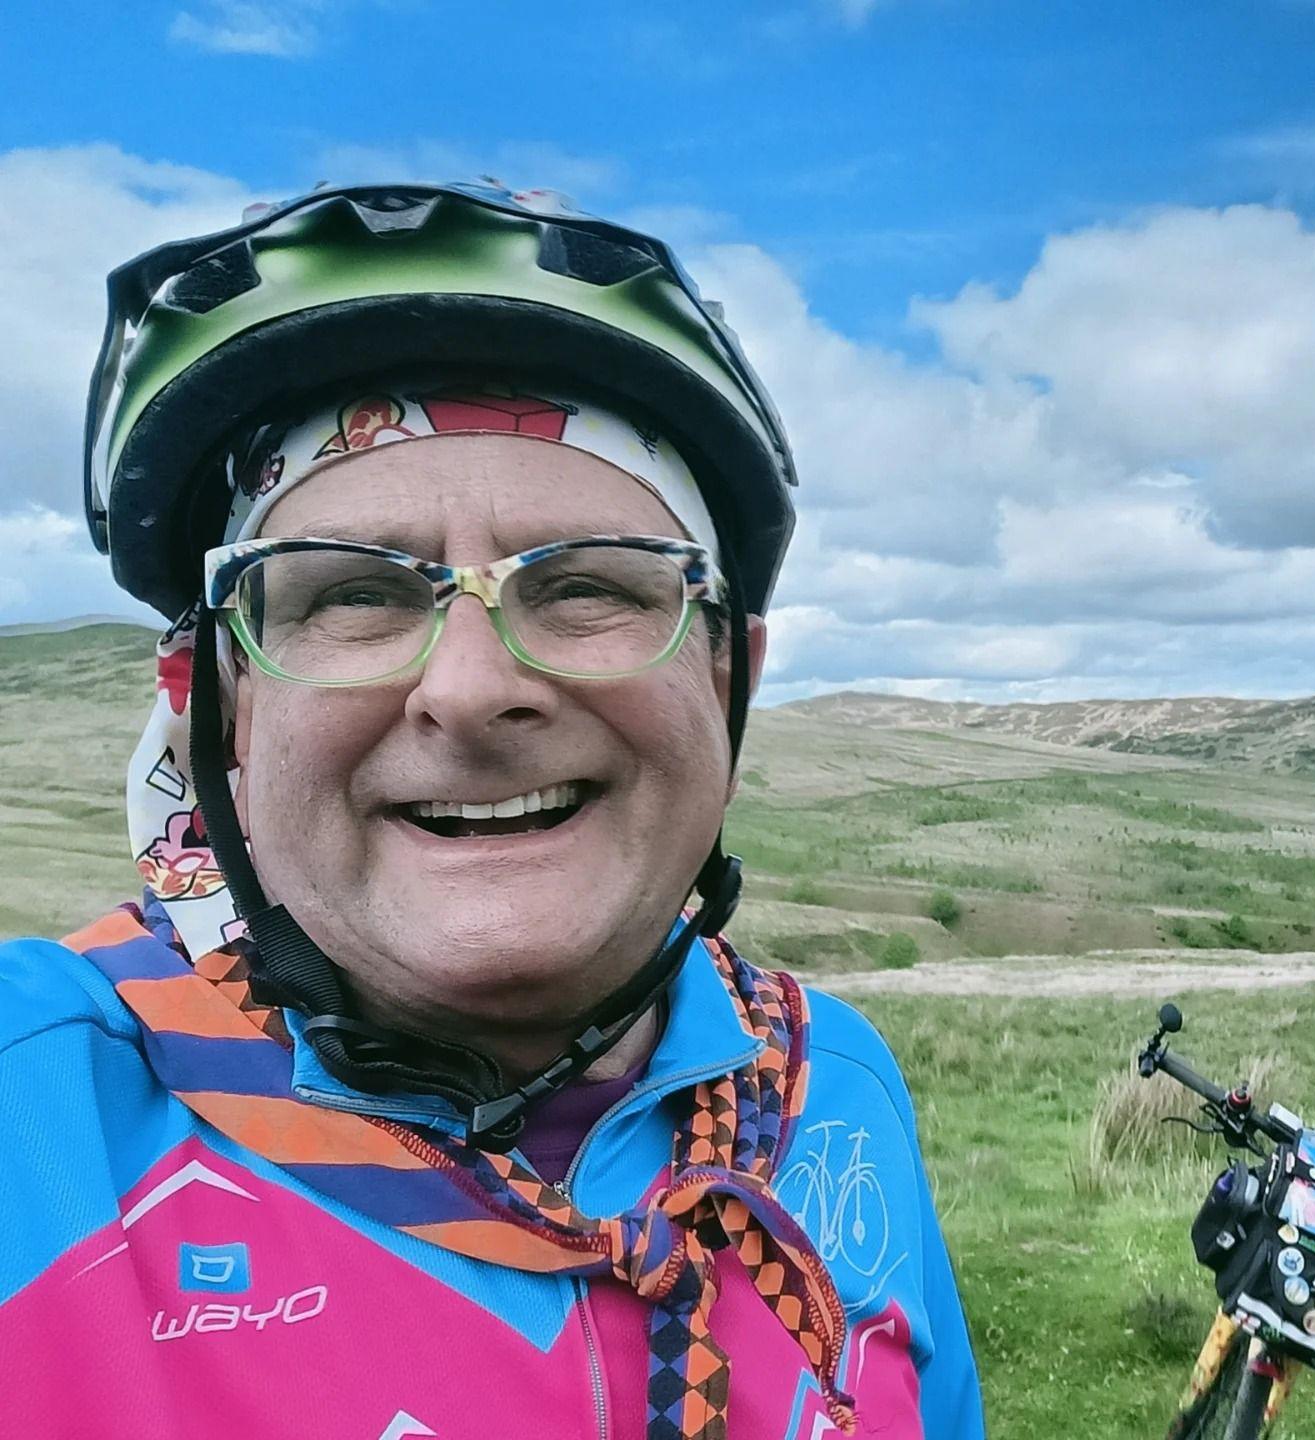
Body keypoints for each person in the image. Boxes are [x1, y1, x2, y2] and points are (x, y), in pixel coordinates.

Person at [0, 181, 984, 1438]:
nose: (470, 690)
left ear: (730, 675)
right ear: (220, 712)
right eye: (351, 595)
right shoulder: (35, 1107)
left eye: (588, 587)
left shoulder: (829, 1081)